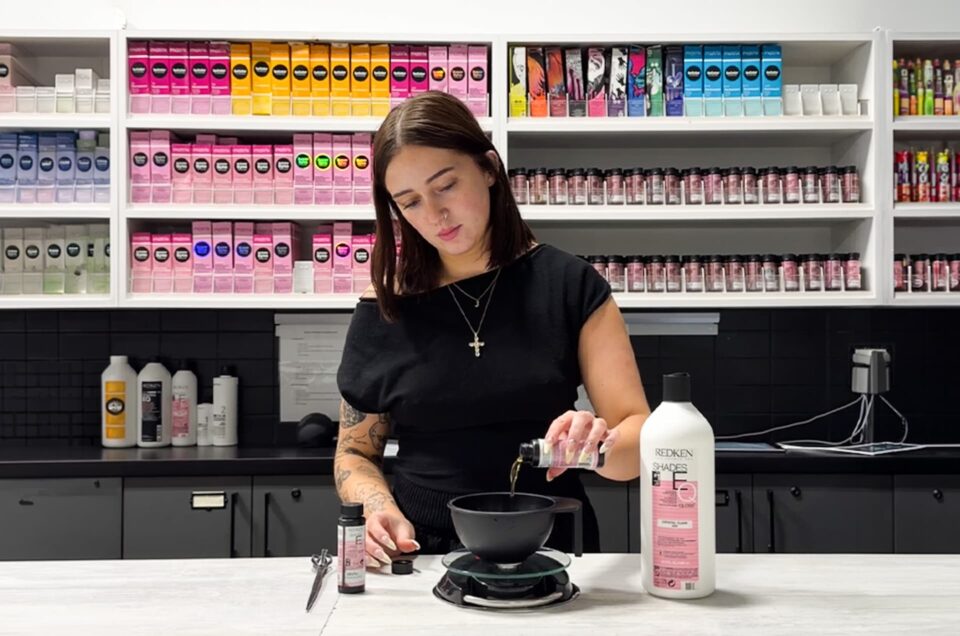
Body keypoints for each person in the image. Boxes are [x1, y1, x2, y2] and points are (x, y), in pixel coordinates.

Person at [335, 90, 650, 567]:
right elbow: (354, 454)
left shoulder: (570, 286)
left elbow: (639, 439)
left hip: (552, 546)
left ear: (487, 168)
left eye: (445, 185)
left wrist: (597, 445)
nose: (434, 214)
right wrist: (377, 507)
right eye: (411, 202)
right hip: (421, 551)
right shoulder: (385, 305)